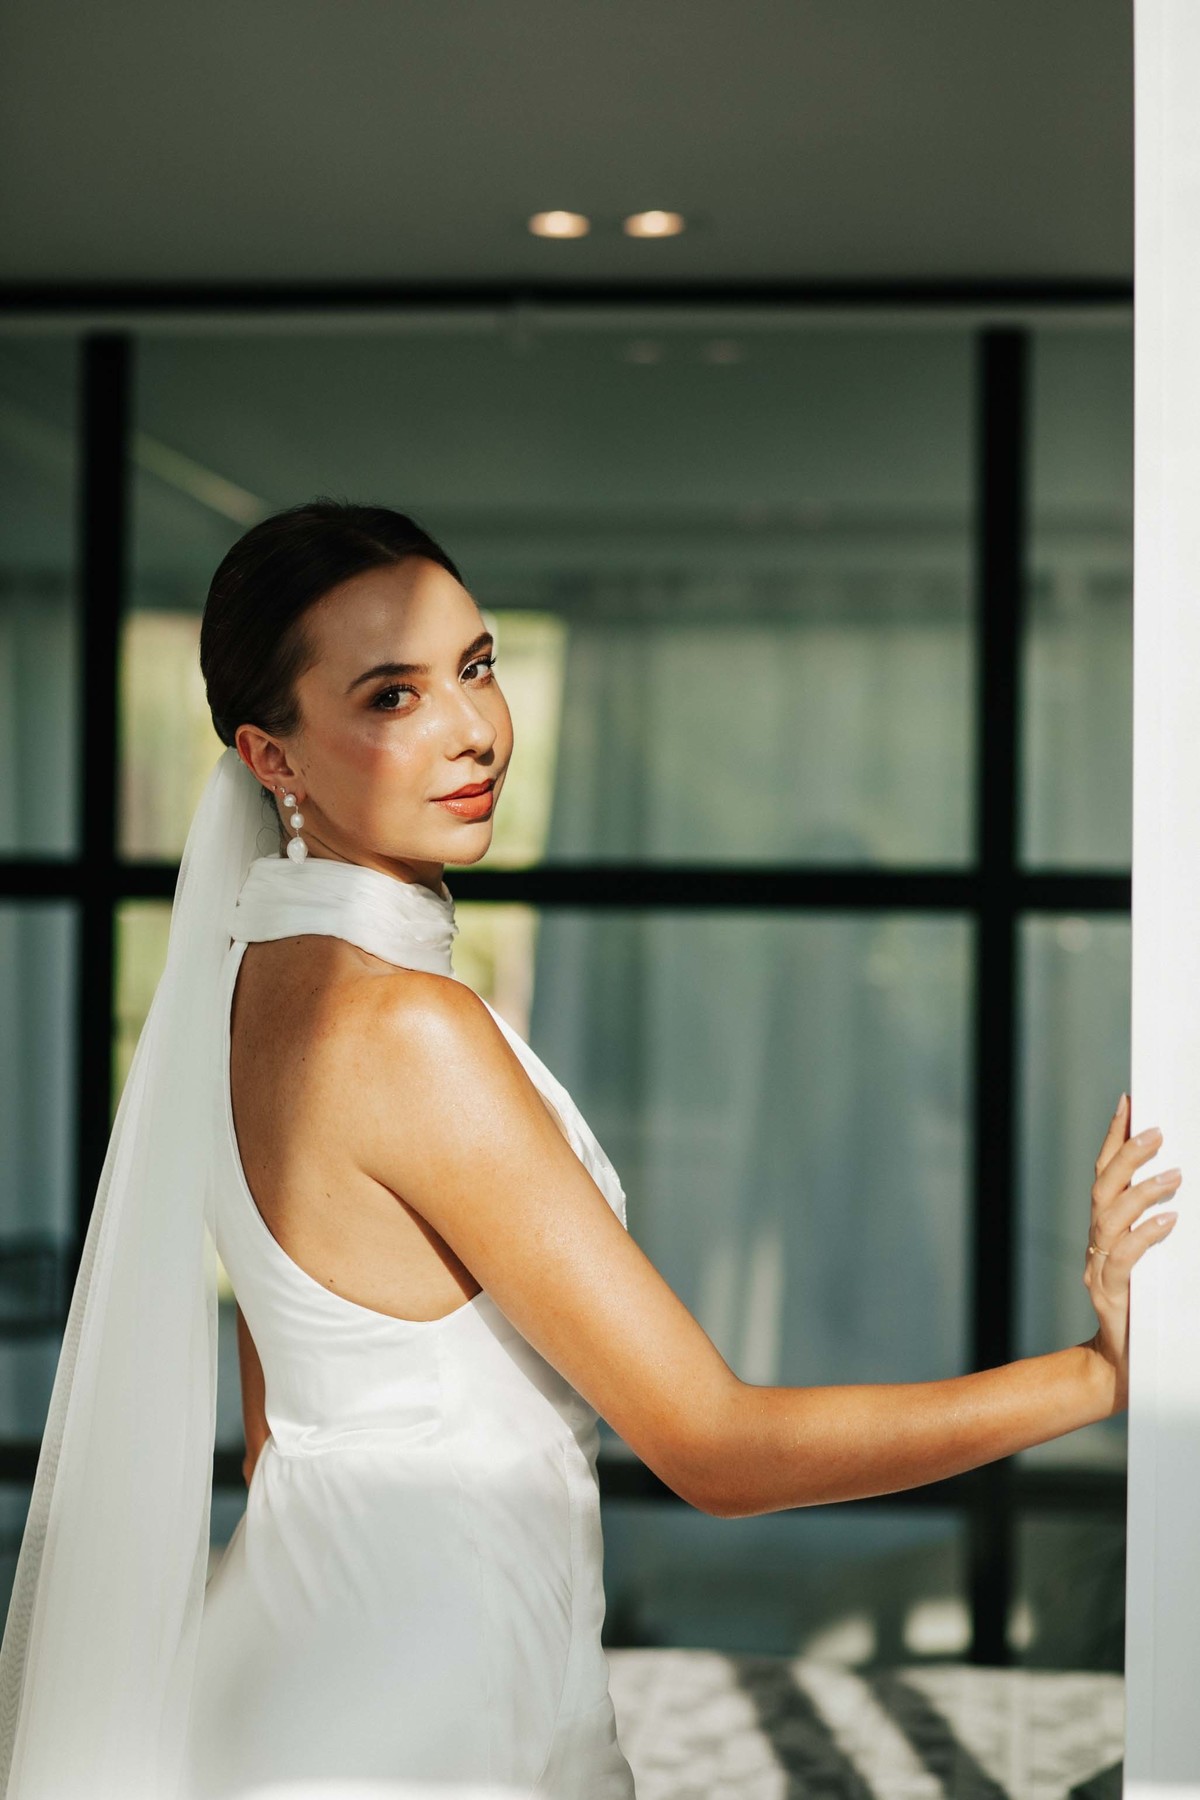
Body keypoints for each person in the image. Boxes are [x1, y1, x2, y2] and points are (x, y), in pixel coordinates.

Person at [0, 499, 1181, 1800]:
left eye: (477, 665)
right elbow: (717, 1451)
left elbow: (279, 1424)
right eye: (393, 695)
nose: (472, 728)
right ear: (271, 756)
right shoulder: (402, 1031)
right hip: (422, 1705)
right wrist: (1097, 1375)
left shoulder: (249, 990)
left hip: (300, 1658)